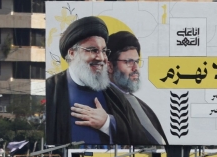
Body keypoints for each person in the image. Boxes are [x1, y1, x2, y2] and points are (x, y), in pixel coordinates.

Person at [44, 17, 143, 146]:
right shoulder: (51, 89)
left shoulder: (115, 96)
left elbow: (139, 136)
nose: (101, 58)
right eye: (93, 50)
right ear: (72, 53)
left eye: (103, 51)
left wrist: (107, 123)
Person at [105, 31, 167, 145]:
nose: (135, 68)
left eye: (137, 62)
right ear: (109, 66)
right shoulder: (101, 100)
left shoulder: (142, 105)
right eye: (129, 62)